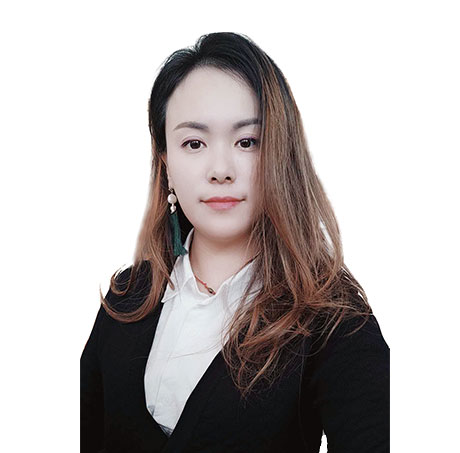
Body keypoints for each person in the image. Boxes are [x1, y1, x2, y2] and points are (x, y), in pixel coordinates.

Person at [80, 32, 390, 453]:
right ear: (166, 163)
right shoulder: (126, 298)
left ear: (279, 154)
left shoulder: (332, 318)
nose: (221, 169)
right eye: (194, 143)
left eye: (247, 142)